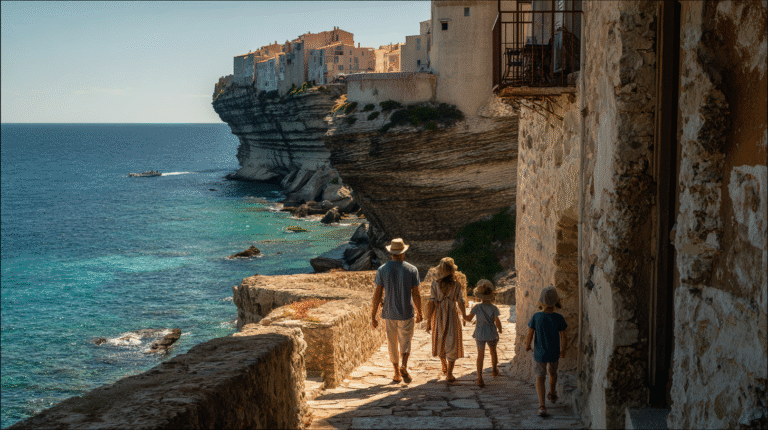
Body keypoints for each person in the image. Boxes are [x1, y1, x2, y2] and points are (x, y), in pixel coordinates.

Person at [371, 238, 423, 384]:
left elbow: (377, 295)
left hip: (389, 313)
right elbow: (416, 294)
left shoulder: (382, 270)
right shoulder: (412, 270)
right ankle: (404, 366)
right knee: (406, 341)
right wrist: (420, 312)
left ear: (391, 253)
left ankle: (396, 374)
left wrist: (373, 315)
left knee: (392, 343)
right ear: (403, 252)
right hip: (406, 312)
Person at [525, 285, 568, 417]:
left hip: (539, 354)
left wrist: (527, 345)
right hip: (554, 352)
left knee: (540, 377)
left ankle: (542, 406)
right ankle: (553, 392)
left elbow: (530, 333)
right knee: (553, 373)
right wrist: (563, 350)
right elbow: (564, 337)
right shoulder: (559, 318)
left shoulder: (536, 316)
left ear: (541, 301)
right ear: (556, 301)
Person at [425, 257, 467, 382]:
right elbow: (460, 301)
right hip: (452, 316)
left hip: (439, 316)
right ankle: (449, 373)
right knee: (452, 341)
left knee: (440, 339)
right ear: (452, 271)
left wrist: (428, 321)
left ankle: (444, 364)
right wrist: (464, 316)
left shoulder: (434, 285)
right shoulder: (457, 285)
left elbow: (431, 302)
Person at [465, 279, 502, 387]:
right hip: (491, 332)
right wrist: (499, 329)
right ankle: (494, 370)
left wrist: (463, 315)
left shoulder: (477, 307)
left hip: (480, 333)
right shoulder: (494, 308)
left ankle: (480, 378)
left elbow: (469, 318)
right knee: (493, 352)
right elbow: (497, 320)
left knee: (480, 355)